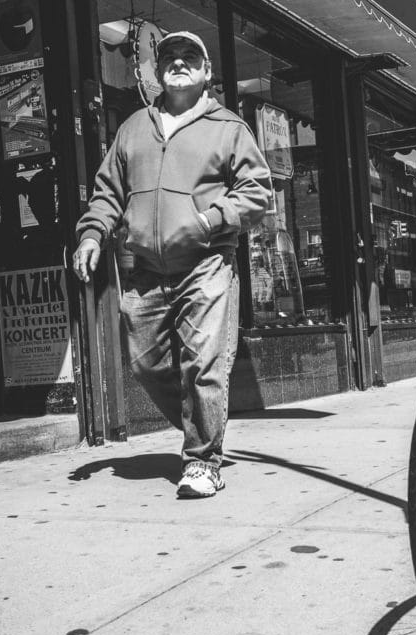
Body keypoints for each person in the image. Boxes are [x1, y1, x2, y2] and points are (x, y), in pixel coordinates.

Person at [71, 31, 272, 498]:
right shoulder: (133, 129)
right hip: (146, 269)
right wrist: (92, 233)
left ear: (205, 73)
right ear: (156, 72)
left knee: (204, 364)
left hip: (206, 263)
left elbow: (258, 191)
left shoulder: (228, 128)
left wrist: (207, 221)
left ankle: (203, 460)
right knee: (147, 366)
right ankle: (201, 426)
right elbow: (108, 193)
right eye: (170, 58)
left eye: (190, 58)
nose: (179, 63)